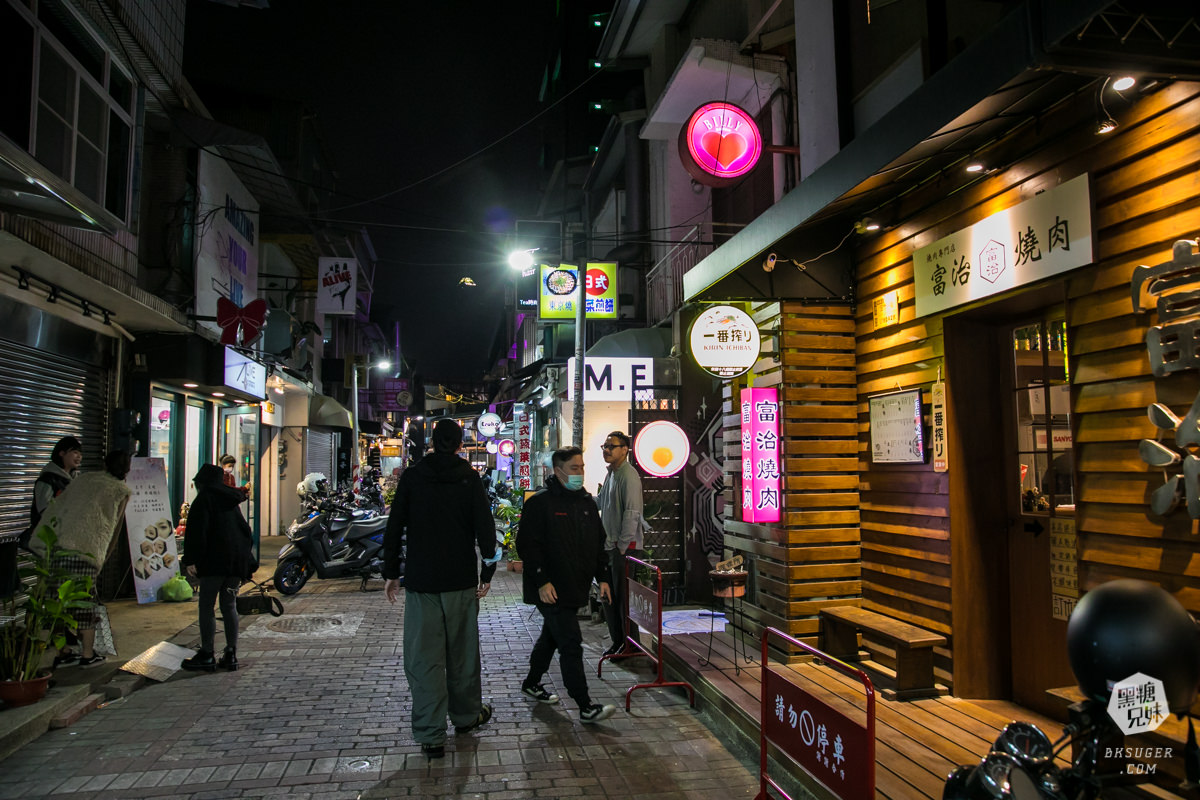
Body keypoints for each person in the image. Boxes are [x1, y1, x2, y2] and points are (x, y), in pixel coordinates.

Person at [383, 419, 499, 759]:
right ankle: (465, 717)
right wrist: (487, 570)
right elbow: (485, 527)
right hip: (460, 581)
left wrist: (391, 572)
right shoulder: (469, 478)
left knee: (424, 659)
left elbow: (394, 526)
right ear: (461, 444)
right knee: (462, 655)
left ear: (432, 441)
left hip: (422, 583)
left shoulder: (413, 476)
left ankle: (431, 733)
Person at [517, 446, 617, 724]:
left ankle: (531, 682)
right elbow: (527, 546)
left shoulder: (586, 502)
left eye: (582, 467)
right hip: (549, 589)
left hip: (575, 586)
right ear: (558, 471)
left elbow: (598, 544)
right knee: (570, 643)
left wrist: (603, 578)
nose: (580, 473)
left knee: (551, 637)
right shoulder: (540, 503)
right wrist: (542, 581)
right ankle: (584, 705)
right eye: (574, 468)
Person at [30, 449, 132, 668]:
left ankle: (63, 651)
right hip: (86, 552)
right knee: (85, 604)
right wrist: (103, 557)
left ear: (105, 464)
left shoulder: (83, 479)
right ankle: (87, 654)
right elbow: (113, 530)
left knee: (55, 602)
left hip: (57, 547)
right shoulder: (120, 490)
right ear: (126, 470)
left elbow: (57, 507)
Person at [180, 463, 257, 673]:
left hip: (213, 563)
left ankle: (207, 654)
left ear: (201, 483)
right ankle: (231, 653)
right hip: (234, 564)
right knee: (229, 605)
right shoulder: (231, 501)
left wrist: (191, 560)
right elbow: (245, 531)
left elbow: (197, 533)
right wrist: (246, 562)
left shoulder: (203, 500)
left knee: (206, 606)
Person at [596, 430, 645, 657]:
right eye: (605, 446)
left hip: (623, 549)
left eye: (611, 446)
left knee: (623, 600)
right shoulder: (612, 474)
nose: (606, 450)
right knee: (609, 597)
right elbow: (602, 502)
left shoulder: (628, 475)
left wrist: (622, 547)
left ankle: (629, 644)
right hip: (611, 547)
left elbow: (632, 513)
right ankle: (618, 642)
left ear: (624, 450)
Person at [26, 436, 84, 545]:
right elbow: (45, 510)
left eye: (80, 454)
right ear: (61, 453)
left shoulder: (75, 480)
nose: (79, 457)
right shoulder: (47, 480)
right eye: (75, 452)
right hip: (49, 539)